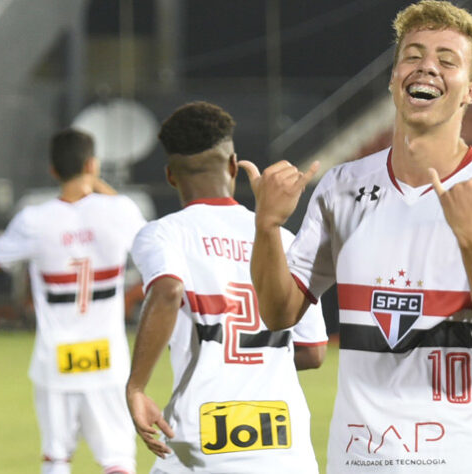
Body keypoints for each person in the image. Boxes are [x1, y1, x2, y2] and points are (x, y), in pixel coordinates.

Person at [240, 1, 472, 472]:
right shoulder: (341, 187)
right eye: (413, 55)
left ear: (471, 91)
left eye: (447, 60)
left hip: (459, 458)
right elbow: (280, 314)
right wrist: (267, 228)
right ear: (392, 77)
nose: (427, 66)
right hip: (358, 458)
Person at [125, 101, 327, 473]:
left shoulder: (164, 234)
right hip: (285, 449)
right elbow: (313, 353)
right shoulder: (282, 240)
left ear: (171, 176)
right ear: (233, 165)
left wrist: (136, 387)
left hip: (200, 444)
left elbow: (168, 291)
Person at [0, 129, 145, 474]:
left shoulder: (34, 220)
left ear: (52, 170)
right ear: (92, 164)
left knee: (56, 457)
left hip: (55, 358)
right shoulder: (120, 211)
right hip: (108, 358)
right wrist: (99, 186)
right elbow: (150, 243)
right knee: (117, 459)